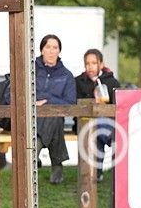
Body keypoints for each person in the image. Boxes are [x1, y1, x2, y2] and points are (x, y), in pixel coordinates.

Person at [35, 34, 77, 184]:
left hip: (53, 117)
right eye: (48, 47)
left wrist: (48, 100)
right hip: (29, 118)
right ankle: (57, 166)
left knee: (53, 116)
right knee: (55, 120)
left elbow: (71, 104)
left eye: (55, 48)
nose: (51, 51)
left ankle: (34, 151)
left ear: (59, 51)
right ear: (42, 50)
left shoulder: (66, 75)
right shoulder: (30, 69)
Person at [74, 48, 120, 183]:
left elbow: (118, 106)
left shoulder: (112, 82)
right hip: (84, 122)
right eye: (87, 63)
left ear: (101, 64)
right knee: (97, 129)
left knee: (100, 129)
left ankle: (97, 172)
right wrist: (93, 100)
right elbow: (75, 104)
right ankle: (113, 142)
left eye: (94, 63)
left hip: (108, 122)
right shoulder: (78, 82)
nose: (90, 67)